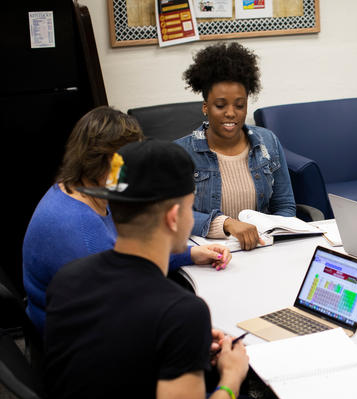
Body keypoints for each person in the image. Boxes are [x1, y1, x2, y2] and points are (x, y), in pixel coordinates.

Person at [44, 140, 265, 399]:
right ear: (175, 217)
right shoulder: (180, 311)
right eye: (192, 208)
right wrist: (232, 376)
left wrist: (183, 348)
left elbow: (117, 346)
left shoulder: (68, 278)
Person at [22, 106, 231, 333]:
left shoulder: (83, 189)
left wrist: (190, 253)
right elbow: (125, 320)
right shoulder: (77, 228)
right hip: (80, 341)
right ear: (106, 159)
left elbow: (135, 249)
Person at [176, 42, 295, 250]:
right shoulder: (180, 153)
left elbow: (285, 206)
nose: (231, 113)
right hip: (207, 254)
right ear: (205, 107)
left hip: (261, 249)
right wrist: (227, 224)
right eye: (220, 105)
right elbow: (172, 213)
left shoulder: (267, 142)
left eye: (239, 105)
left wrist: (271, 238)